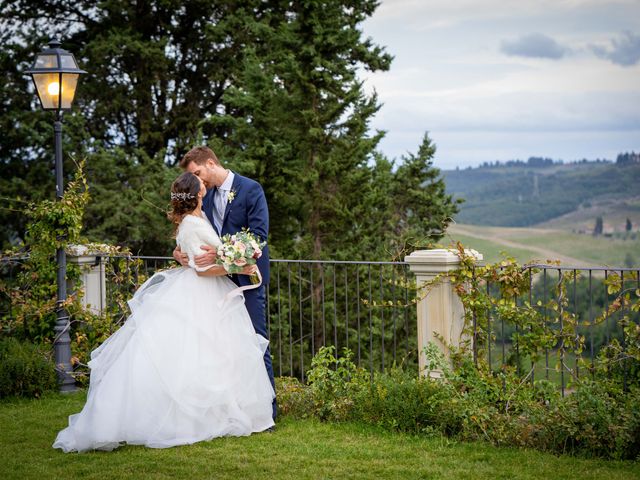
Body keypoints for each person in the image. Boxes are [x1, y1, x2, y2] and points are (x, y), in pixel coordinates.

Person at [53, 172, 275, 453]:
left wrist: (224, 257)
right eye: (200, 186)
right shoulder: (193, 224)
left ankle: (212, 415)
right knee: (198, 355)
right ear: (196, 195)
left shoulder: (195, 219)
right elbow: (202, 268)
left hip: (208, 291)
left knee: (210, 356)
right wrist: (237, 266)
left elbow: (198, 256)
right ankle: (194, 419)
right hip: (202, 291)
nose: (204, 186)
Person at [174, 146, 276, 420]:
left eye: (197, 173)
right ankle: (233, 410)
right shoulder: (202, 197)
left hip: (246, 278)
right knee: (225, 347)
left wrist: (221, 255)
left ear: (210, 163)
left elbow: (257, 237)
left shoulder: (250, 189)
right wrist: (179, 252)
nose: (197, 181)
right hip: (214, 284)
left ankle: (267, 412)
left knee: (255, 340)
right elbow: (193, 229)